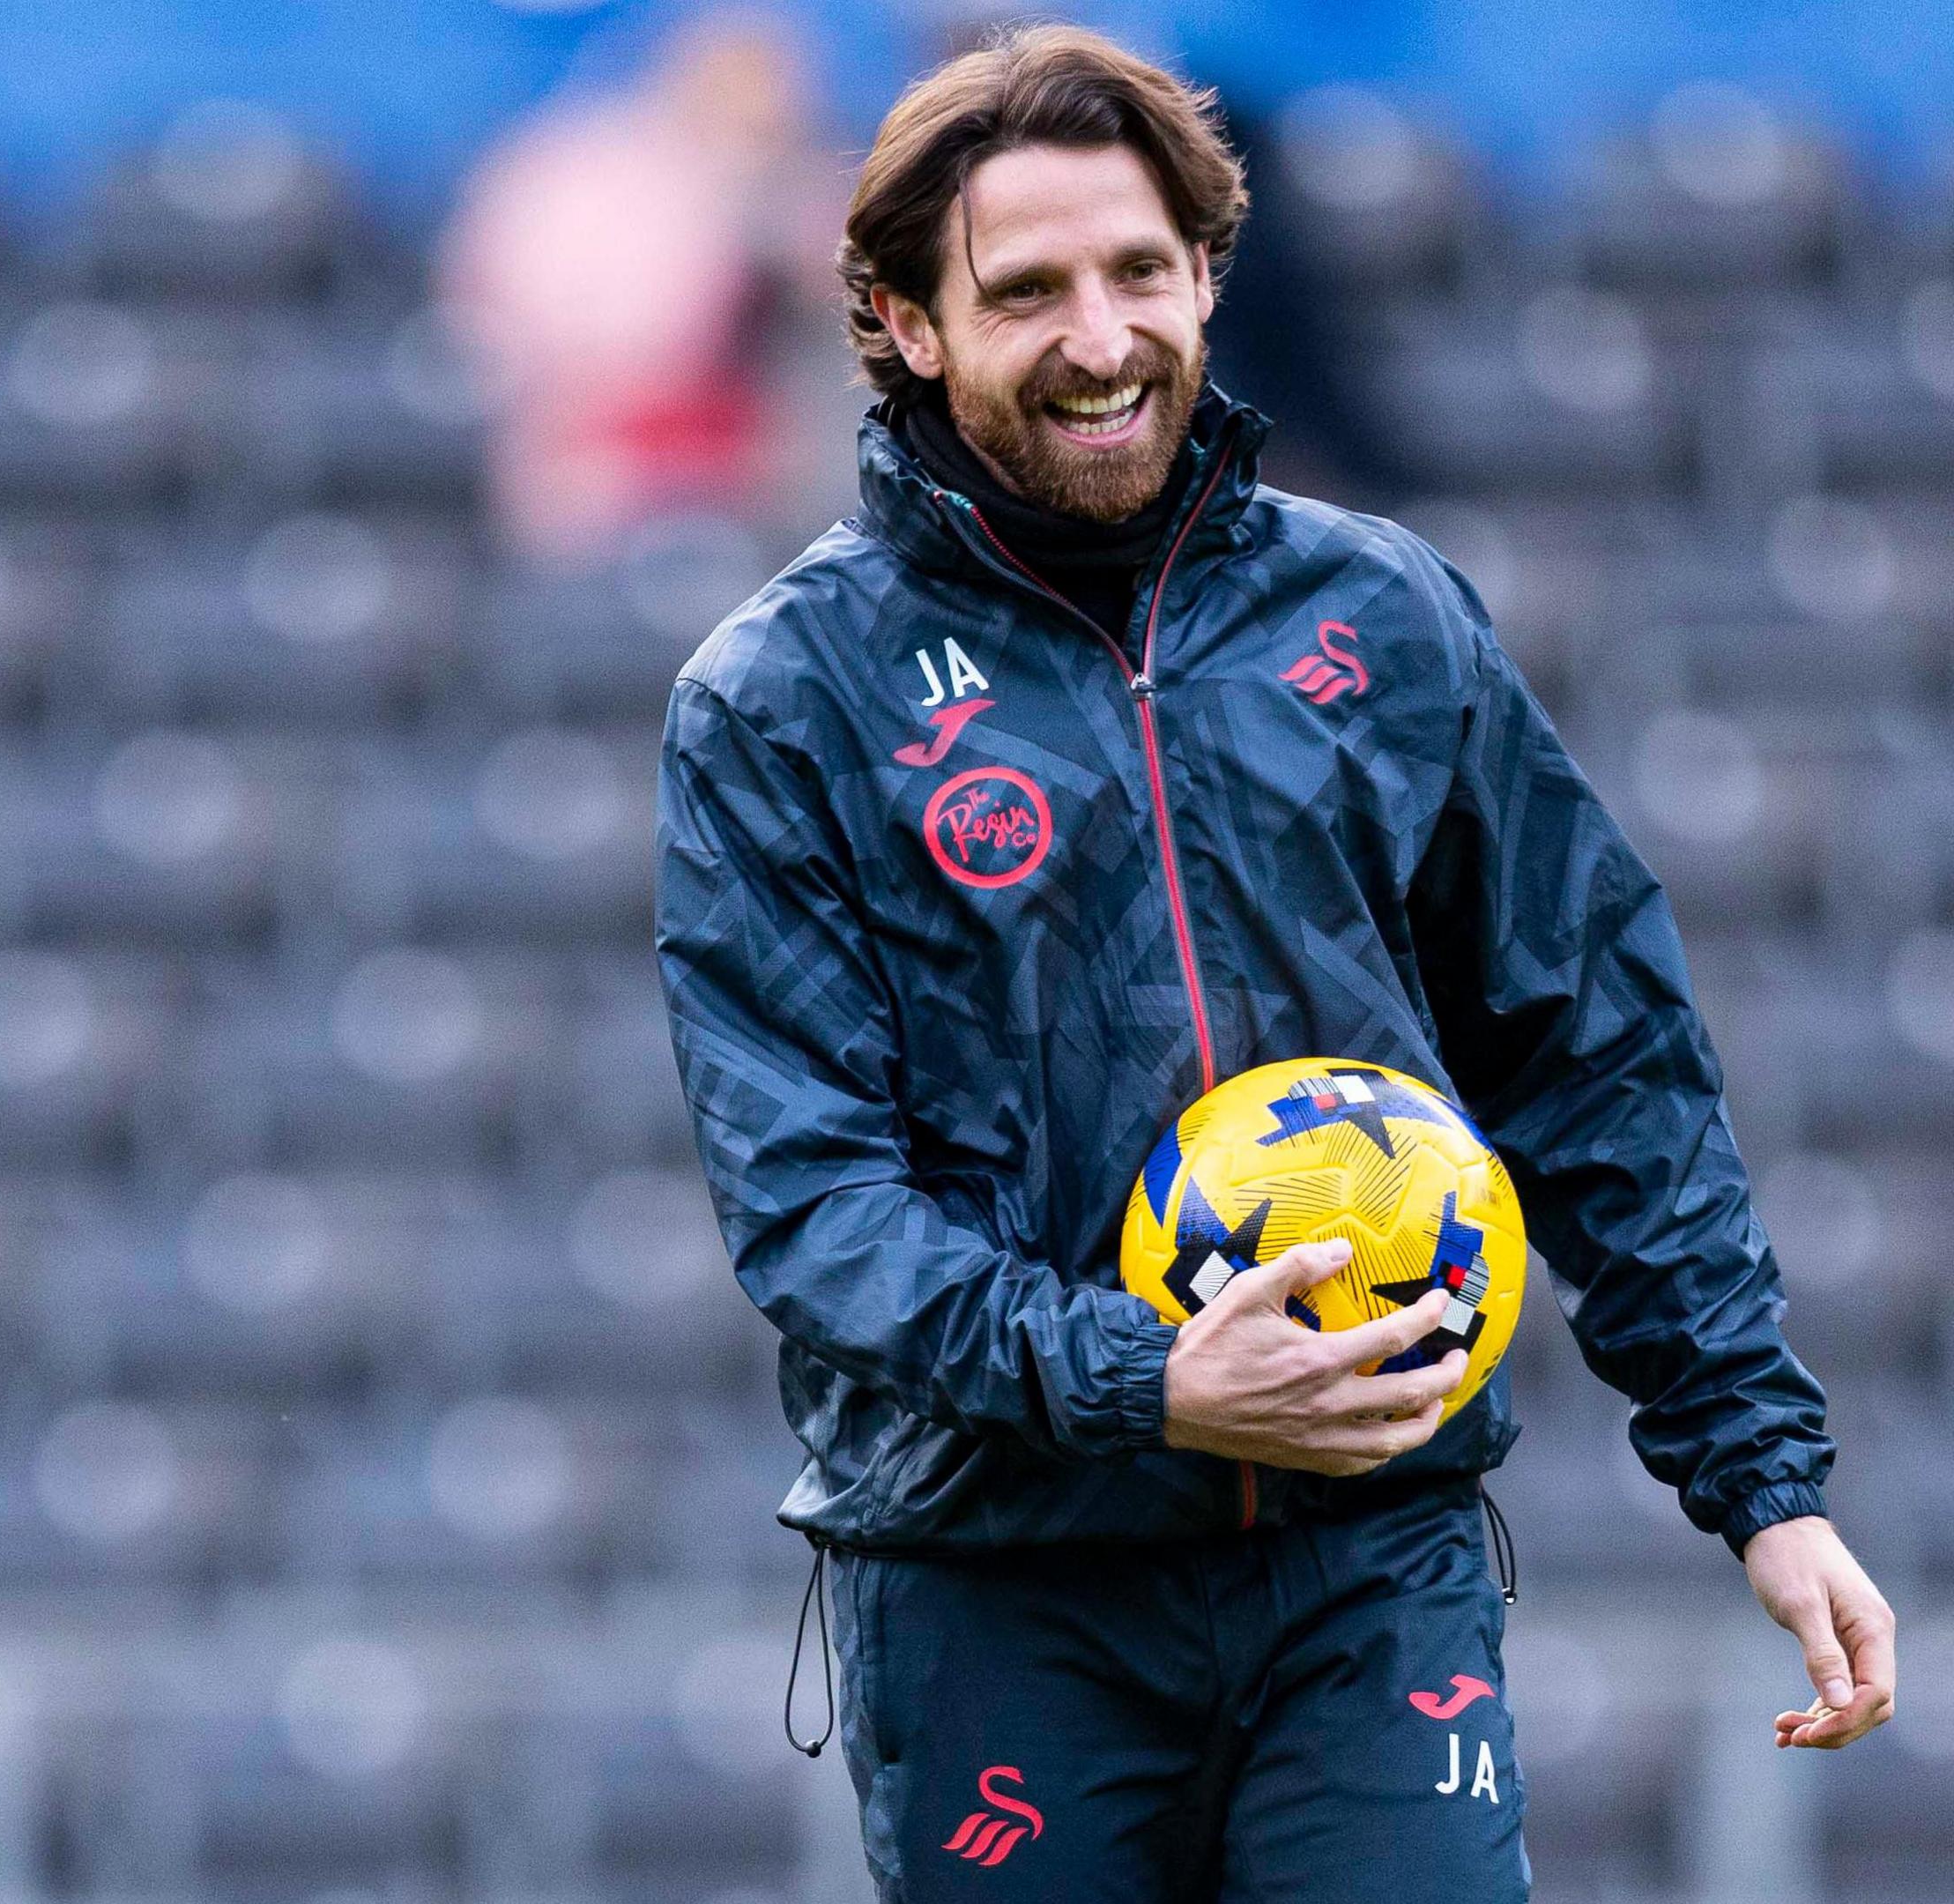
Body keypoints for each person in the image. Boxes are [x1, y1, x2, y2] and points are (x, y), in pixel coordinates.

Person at [651, 27, 1890, 1902]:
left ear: (1210, 276)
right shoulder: (781, 698)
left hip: (1366, 1564)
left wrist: (1762, 1480)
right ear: (905, 321)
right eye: (1029, 290)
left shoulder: (1385, 615)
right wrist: (1145, 1380)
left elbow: (1596, 1051)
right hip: (1000, 1587)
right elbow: (815, 1206)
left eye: (1142, 271)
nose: (1103, 336)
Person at [438, 4, 844, 567]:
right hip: (585, 453)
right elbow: (626, 342)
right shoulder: (579, 175)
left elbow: (844, 310)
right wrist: (718, 225)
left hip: (753, 470)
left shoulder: (804, 182)